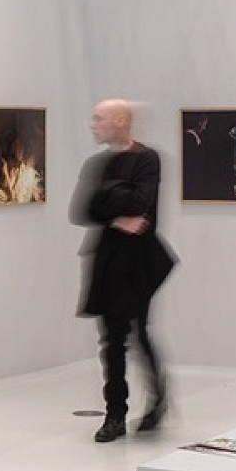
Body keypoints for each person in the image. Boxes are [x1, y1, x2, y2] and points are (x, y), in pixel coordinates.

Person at [71, 99, 176, 442]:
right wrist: (117, 215)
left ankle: (158, 400)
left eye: (98, 118)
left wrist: (105, 199)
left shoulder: (147, 159)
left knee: (137, 333)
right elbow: (81, 211)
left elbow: (140, 203)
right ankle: (115, 414)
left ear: (119, 121)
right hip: (107, 261)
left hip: (139, 263)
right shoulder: (96, 163)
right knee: (111, 340)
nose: (92, 124)